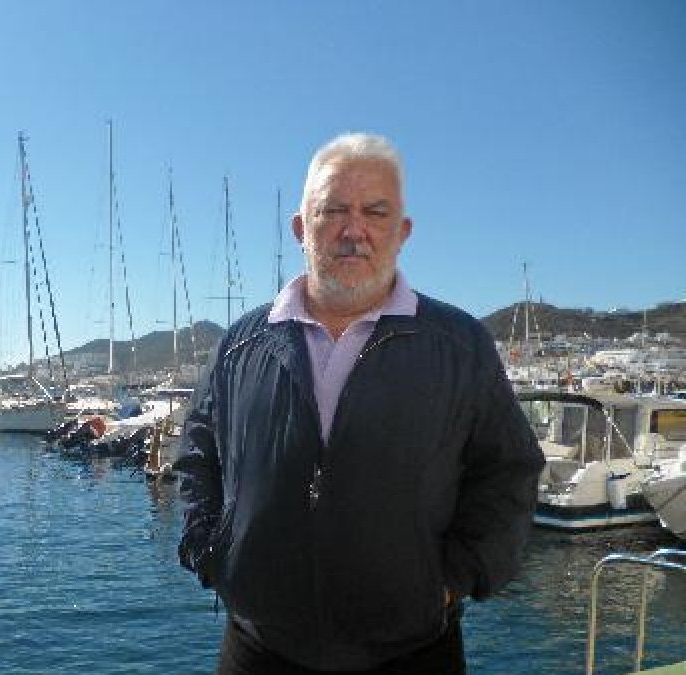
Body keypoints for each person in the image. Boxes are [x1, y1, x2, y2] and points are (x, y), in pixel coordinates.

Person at [174, 132, 545, 674]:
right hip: (258, 648)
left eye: (376, 212)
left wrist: (449, 583)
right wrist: (213, 556)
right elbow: (195, 457)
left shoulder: (458, 343)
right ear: (302, 227)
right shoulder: (241, 343)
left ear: (403, 232)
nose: (354, 230)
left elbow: (509, 474)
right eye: (333, 211)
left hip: (414, 650)